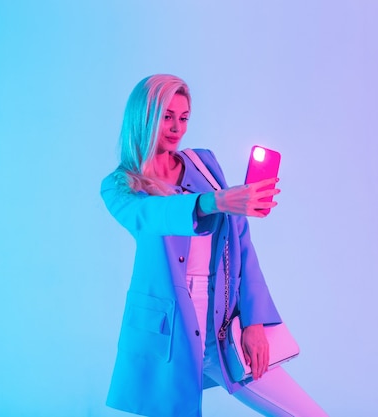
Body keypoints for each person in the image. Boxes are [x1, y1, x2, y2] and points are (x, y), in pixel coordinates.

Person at [100, 74, 328, 417]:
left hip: (222, 333)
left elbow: (242, 246)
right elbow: (151, 215)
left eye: (184, 117)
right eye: (167, 116)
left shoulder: (203, 165)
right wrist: (214, 202)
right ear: (145, 116)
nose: (177, 127)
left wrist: (254, 322)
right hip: (170, 339)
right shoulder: (119, 186)